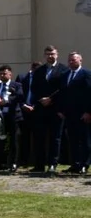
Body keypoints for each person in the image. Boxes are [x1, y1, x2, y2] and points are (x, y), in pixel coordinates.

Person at [30, 46, 64, 174]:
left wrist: (51, 99)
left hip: (56, 109)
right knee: (39, 137)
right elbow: (34, 88)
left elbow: (63, 89)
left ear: (57, 54)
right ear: (44, 56)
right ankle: (39, 164)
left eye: (52, 54)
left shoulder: (63, 70)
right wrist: (41, 99)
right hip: (41, 109)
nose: (50, 56)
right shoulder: (39, 71)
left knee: (55, 138)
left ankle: (52, 164)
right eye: (48, 54)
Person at [56, 51, 91, 174]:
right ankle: (75, 164)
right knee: (73, 140)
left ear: (80, 60)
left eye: (74, 60)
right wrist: (61, 110)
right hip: (69, 114)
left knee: (85, 140)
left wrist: (88, 112)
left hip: (83, 114)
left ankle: (85, 164)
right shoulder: (65, 75)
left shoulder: (86, 74)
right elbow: (62, 94)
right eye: (70, 60)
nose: (71, 62)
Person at [0, 65, 24, 172]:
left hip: (13, 116)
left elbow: (19, 96)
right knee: (0, 140)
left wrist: (6, 101)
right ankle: (0, 163)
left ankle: (14, 163)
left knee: (14, 141)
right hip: (0, 118)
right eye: (1, 74)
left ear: (10, 74)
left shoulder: (17, 85)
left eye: (5, 73)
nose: (3, 75)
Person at [16, 61, 39, 168]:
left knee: (38, 136)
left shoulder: (41, 78)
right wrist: (23, 105)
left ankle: (37, 160)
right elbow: (16, 94)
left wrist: (35, 106)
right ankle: (24, 160)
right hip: (24, 110)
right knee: (24, 137)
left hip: (37, 110)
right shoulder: (22, 77)